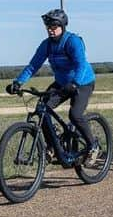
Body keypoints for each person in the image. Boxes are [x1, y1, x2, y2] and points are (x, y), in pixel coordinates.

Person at [8, 9, 99, 164]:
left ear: (62, 26)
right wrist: (18, 82)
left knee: (75, 115)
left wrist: (75, 83)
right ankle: (52, 146)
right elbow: (33, 65)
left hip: (82, 82)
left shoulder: (73, 41)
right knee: (42, 108)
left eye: (54, 26)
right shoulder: (47, 45)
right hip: (62, 83)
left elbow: (81, 65)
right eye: (48, 27)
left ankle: (93, 146)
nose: (50, 30)